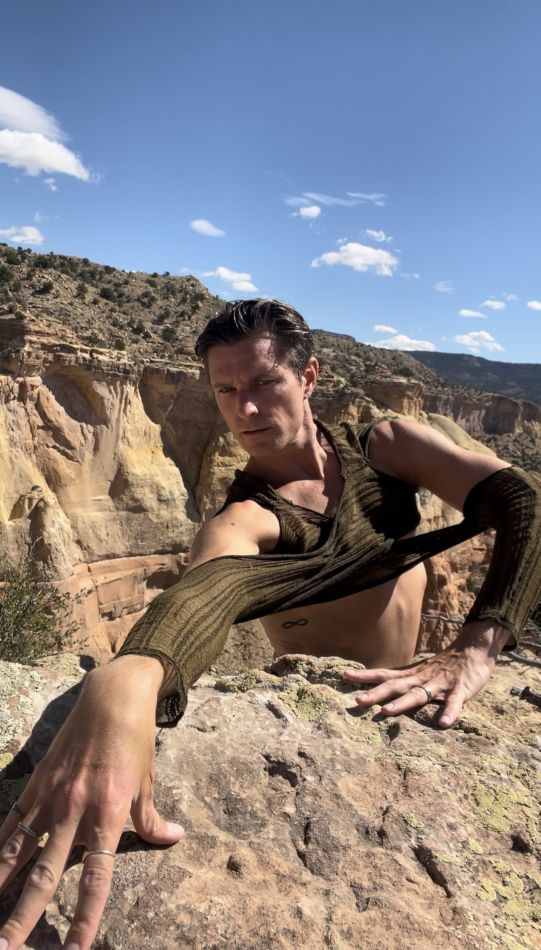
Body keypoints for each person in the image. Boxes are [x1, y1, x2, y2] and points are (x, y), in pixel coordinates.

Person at [1, 299, 540, 950]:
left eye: (263, 383)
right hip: (343, 718)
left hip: (424, 699)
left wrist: (477, 647)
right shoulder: (247, 520)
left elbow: (524, 503)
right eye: (225, 391)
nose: (245, 409)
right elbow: (206, 593)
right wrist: (124, 682)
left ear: (308, 377)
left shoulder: (386, 449)